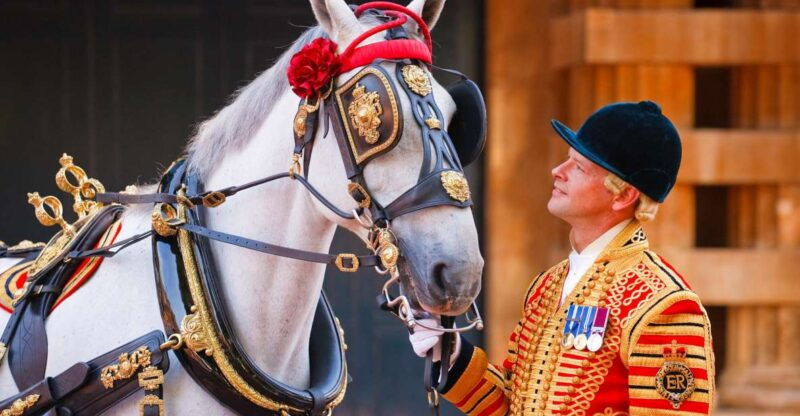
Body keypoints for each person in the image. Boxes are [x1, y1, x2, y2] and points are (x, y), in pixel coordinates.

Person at [409, 101, 715, 415]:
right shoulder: (546, 286)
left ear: (623, 195)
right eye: (567, 160)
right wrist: (452, 354)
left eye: (579, 167)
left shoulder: (663, 304)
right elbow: (514, 405)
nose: (558, 171)